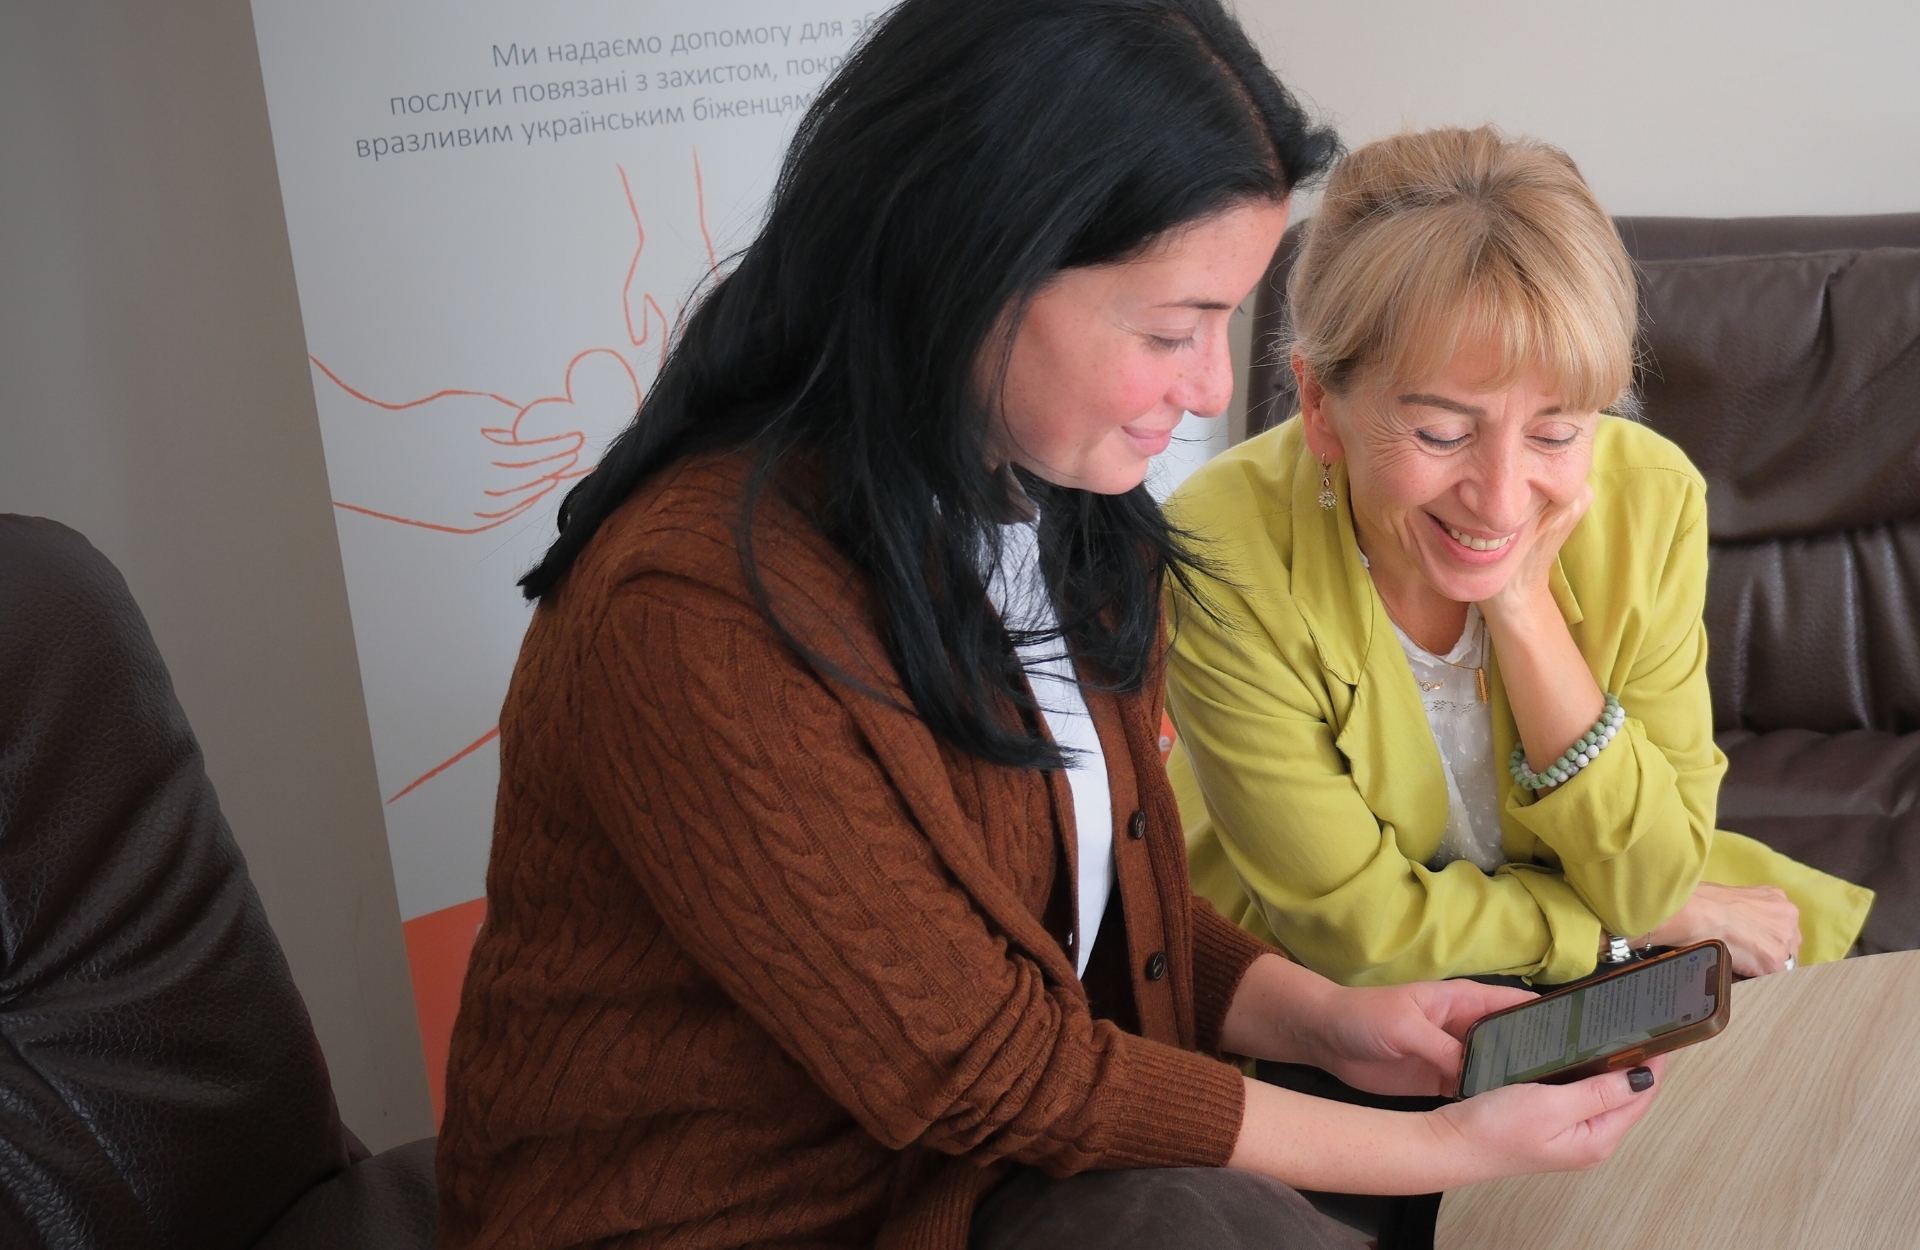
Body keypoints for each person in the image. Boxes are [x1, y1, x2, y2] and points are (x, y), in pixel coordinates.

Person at [435, 13, 1669, 1250]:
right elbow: (982, 1064)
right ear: (980, 265)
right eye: (1171, 328)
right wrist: (1429, 1149)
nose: (1206, 385)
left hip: (984, 1180)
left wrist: (1327, 1020)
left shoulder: (1059, 507)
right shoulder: (692, 617)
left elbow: (1091, 903)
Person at [1164, 126, 1873, 992]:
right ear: (1319, 402)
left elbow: (1649, 878)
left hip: (1591, 958)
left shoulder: (1651, 498)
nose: (1500, 500)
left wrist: (1523, 606)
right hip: (1312, 990)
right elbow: (1355, 934)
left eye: (1556, 431)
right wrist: (1637, 932)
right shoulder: (1219, 545)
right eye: (1441, 431)